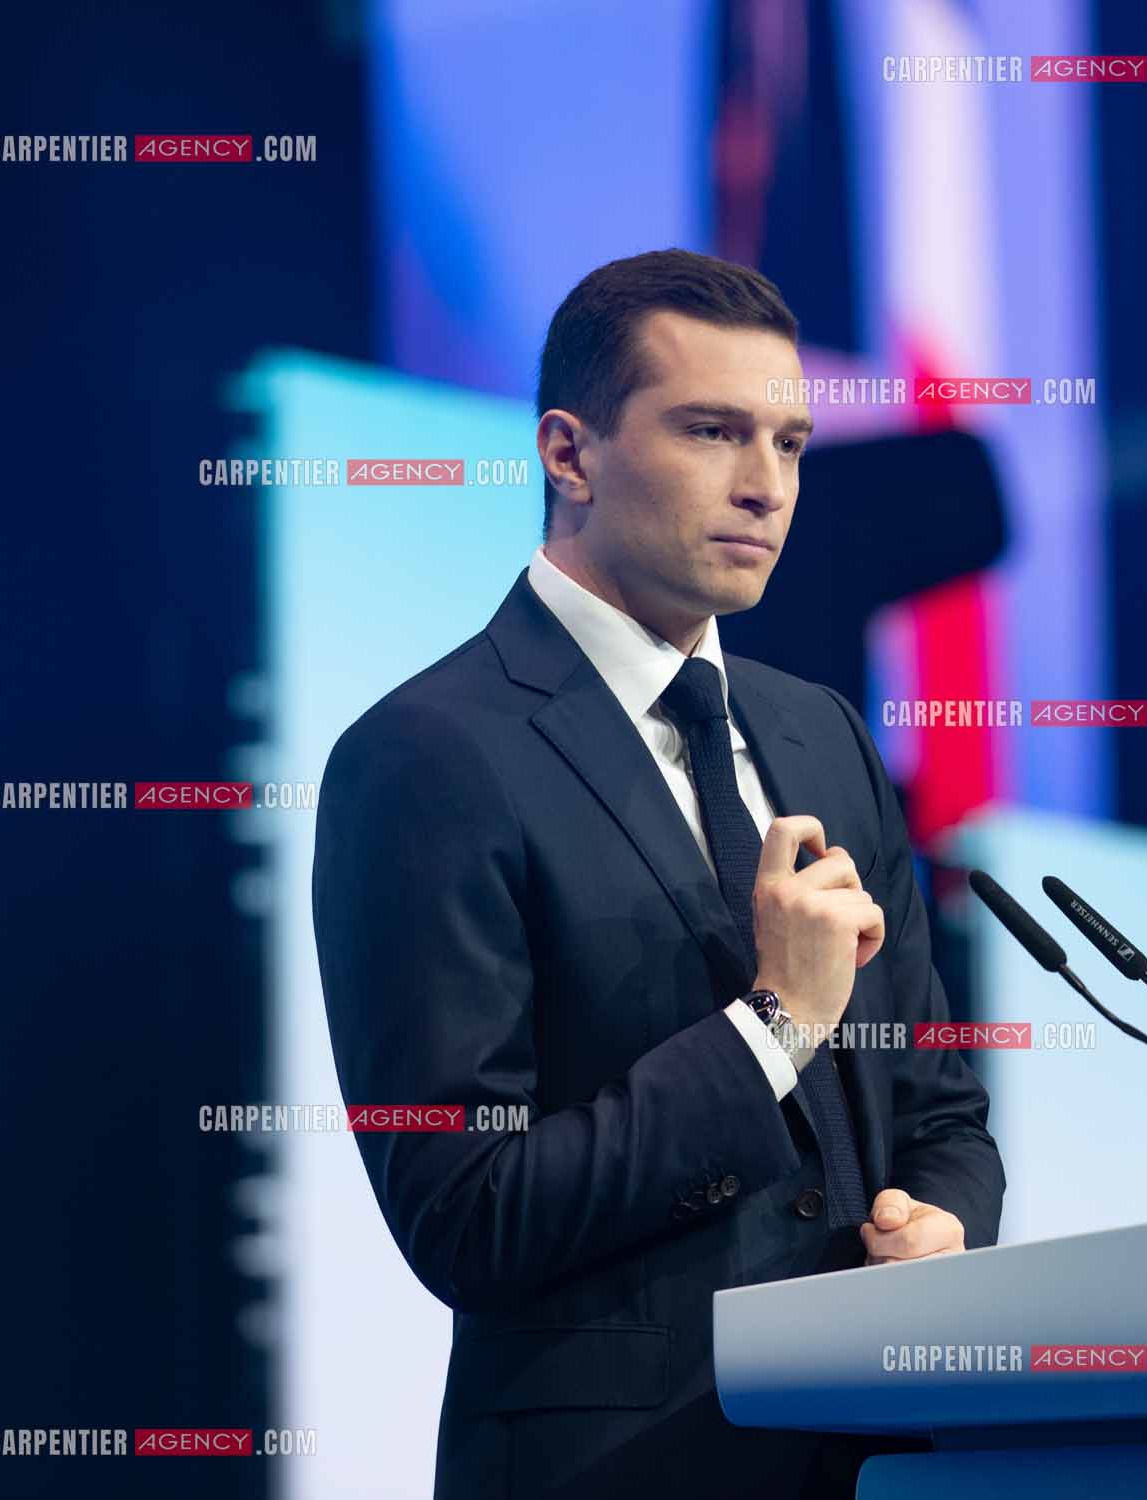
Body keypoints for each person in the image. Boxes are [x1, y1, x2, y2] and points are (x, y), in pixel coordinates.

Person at [313, 248, 1005, 1499]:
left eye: (789, 445)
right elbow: (465, 1214)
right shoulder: (427, 756)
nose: (767, 488)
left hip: (881, 1465)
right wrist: (776, 1025)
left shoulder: (823, 736)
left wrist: (946, 1226)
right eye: (712, 432)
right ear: (568, 454)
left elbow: (941, 1110)